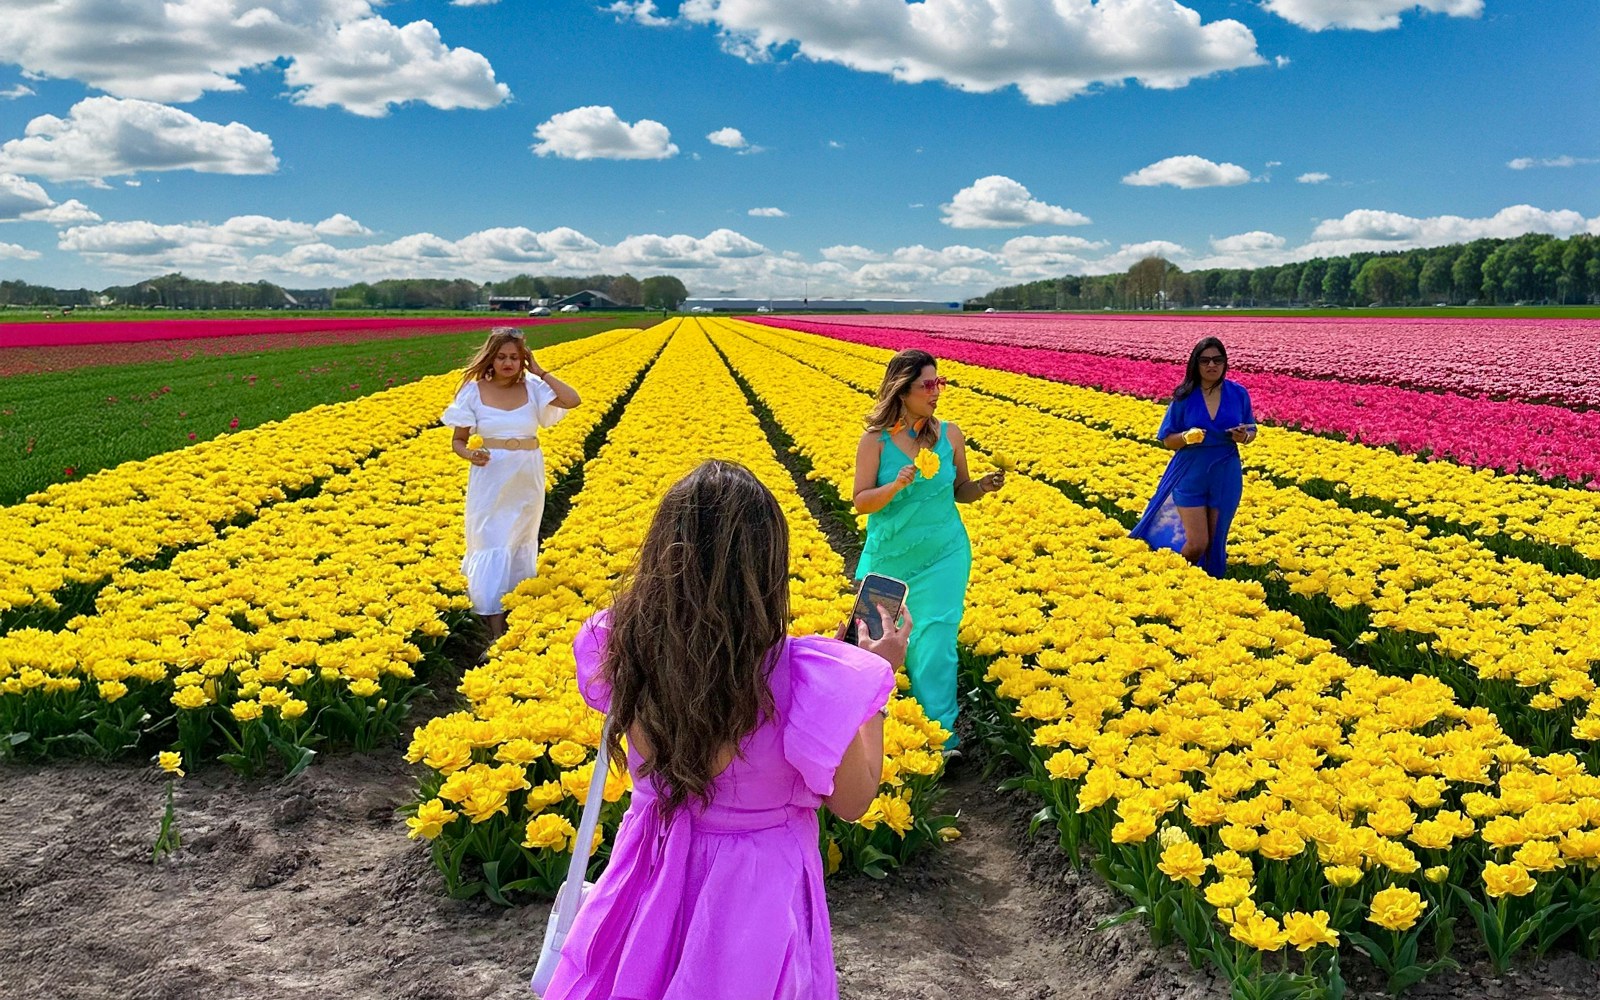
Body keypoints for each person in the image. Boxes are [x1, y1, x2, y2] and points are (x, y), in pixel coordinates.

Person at [541, 460, 913, 1000]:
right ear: (767, 567)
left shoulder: (625, 647)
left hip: (650, 865)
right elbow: (854, 801)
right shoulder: (802, 680)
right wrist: (873, 689)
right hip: (755, 895)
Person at [852, 349, 1004, 752]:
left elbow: (961, 491)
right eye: (927, 385)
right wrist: (895, 487)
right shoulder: (875, 442)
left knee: (936, 643)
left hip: (945, 554)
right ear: (902, 390)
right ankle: (879, 744)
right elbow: (861, 501)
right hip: (890, 560)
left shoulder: (950, 434)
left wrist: (983, 487)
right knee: (875, 646)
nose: (936, 392)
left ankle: (941, 739)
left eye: (939, 383)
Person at [442, 327, 581, 646]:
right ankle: (493, 626)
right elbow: (459, 441)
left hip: (527, 473)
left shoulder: (534, 388)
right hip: (491, 475)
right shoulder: (473, 391)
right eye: (502, 356)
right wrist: (469, 454)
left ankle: (517, 609)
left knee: (519, 537)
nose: (508, 362)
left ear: (524, 360)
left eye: (515, 357)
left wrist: (540, 371)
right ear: (491, 359)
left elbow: (573, 400)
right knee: (491, 538)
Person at [1129, 336, 1257, 579]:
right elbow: (1167, 439)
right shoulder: (1184, 396)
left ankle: (1208, 590)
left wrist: (1243, 436)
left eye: (1218, 360)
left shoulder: (1238, 393)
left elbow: (1251, 430)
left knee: (1215, 543)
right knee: (1198, 543)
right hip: (1190, 472)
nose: (1212, 365)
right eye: (1205, 360)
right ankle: (1169, 579)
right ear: (1195, 364)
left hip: (1225, 471)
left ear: (1225, 363)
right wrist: (1187, 437)